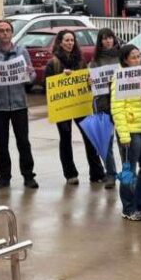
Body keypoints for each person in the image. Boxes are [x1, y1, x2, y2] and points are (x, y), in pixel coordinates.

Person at [44, 29, 106, 185]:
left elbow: (86, 80)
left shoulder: (80, 61)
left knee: (89, 136)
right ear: (60, 42)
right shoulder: (53, 63)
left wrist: (89, 81)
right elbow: (48, 87)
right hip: (63, 107)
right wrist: (60, 77)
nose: (70, 43)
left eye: (72, 40)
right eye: (66, 40)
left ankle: (97, 172)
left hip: (80, 104)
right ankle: (70, 174)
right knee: (65, 138)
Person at [0, 20, 37, 191]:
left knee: (23, 142)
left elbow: (32, 75)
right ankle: (4, 176)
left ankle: (28, 175)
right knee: (2, 143)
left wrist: (30, 73)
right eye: (1, 31)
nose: (5, 33)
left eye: (7, 30)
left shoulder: (21, 51)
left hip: (19, 104)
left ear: (12, 33)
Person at [111, 44, 141, 220]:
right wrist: (124, 135)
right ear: (125, 60)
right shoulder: (119, 78)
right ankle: (128, 208)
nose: (138, 60)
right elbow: (116, 108)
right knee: (129, 171)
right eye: (133, 57)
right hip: (129, 131)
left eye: (139, 56)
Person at [90, 28, 120, 188]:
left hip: (121, 104)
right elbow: (92, 85)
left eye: (110, 37)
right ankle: (111, 174)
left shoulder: (122, 57)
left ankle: (129, 173)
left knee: (125, 141)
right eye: (104, 38)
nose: (108, 41)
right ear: (100, 41)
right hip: (102, 105)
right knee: (105, 143)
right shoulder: (95, 61)